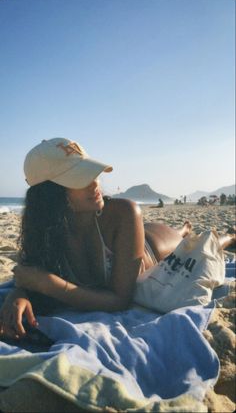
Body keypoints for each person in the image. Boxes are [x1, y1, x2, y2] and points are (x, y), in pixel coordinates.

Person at [0, 137, 235, 340]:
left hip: (152, 247)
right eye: (79, 177)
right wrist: (17, 294)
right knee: (187, 238)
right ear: (49, 196)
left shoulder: (124, 211)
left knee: (201, 245)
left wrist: (49, 284)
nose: (95, 182)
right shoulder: (44, 232)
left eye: (92, 173)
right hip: (134, 238)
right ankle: (184, 229)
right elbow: (28, 275)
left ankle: (227, 235)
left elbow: (120, 300)